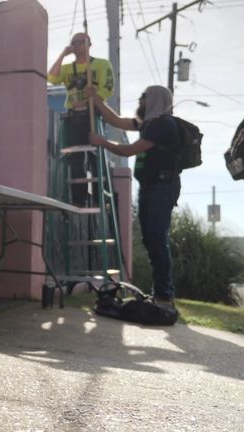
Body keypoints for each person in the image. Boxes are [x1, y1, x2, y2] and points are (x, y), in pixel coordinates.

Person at [87, 85, 181, 309]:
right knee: (151, 239)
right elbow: (116, 120)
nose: (141, 101)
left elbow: (130, 150)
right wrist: (96, 99)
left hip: (162, 186)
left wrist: (103, 142)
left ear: (156, 100)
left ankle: (165, 296)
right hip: (150, 186)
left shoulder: (163, 124)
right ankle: (160, 294)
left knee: (157, 239)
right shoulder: (148, 123)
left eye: (145, 97)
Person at [48, 33, 114, 206]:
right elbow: (51, 77)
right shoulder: (68, 69)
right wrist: (63, 54)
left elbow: (107, 88)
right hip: (73, 117)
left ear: (89, 44)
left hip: (93, 115)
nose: (76, 45)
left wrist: (88, 102)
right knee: (75, 159)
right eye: (74, 42)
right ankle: (79, 199)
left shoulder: (101, 64)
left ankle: (100, 199)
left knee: (95, 157)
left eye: (80, 42)